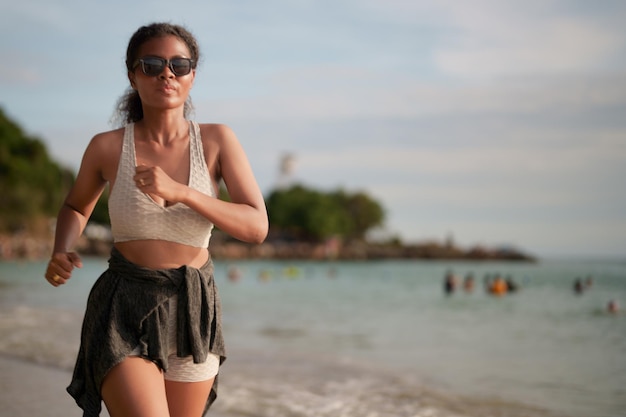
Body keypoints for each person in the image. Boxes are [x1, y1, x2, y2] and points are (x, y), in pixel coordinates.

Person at [43, 22, 268, 417]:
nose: (167, 72)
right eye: (151, 64)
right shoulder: (107, 147)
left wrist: (182, 192)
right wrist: (62, 248)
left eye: (179, 65)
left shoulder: (217, 141)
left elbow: (256, 227)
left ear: (192, 76)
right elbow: (76, 207)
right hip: (123, 305)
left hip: (192, 307)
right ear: (132, 74)